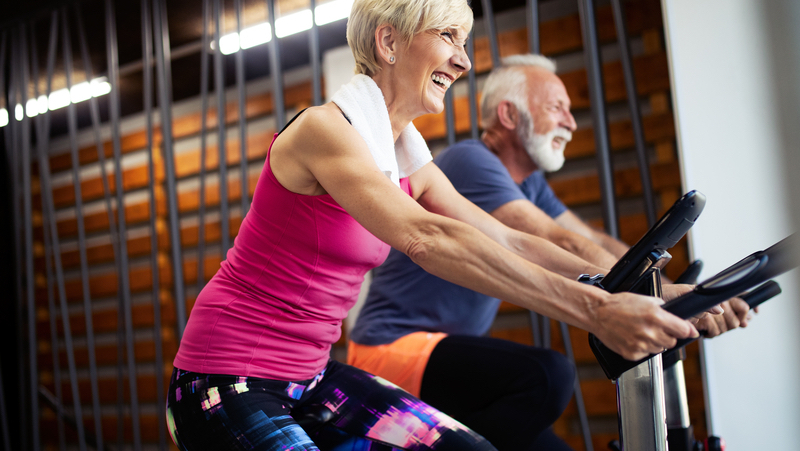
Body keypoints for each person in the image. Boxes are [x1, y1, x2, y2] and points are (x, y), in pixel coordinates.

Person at [165, 2, 703, 447]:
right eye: (449, 36)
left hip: (312, 375)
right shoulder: (324, 130)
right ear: (389, 42)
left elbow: (507, 236)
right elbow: (427, 236)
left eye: (464, 42)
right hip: (225, 378)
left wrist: (643, 288)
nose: (463, 61)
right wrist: (598, 310)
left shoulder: (403, 152)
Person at [348, 54, 752, 450]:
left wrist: (669, 288)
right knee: (545, 377)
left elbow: (590, 239)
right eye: (557, 108)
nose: (571, 122)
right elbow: (561, 242)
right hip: (390, 350)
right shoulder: (473, 161)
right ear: (508, 116)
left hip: (448, 359)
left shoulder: (530, 184)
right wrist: (662, 294)